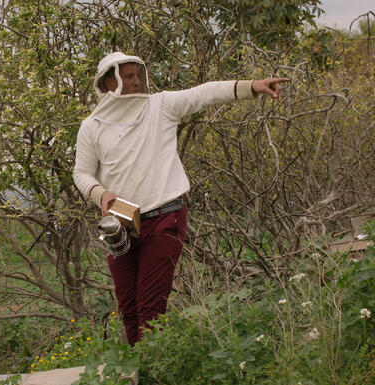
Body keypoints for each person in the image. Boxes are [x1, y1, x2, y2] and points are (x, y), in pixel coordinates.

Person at [73, 52, 288, 346]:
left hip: (165, 218)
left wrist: (252, 86)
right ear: (109, 82)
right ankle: (140, 377)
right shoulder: (92, 126)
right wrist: (102, 195)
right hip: (120, 224)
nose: (136, 81)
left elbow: (204, 93)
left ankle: (151, 377)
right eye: (129, 76)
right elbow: (82, 173)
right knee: (128, 307)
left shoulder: (160, 106)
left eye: (139, 74)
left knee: (150, 310)